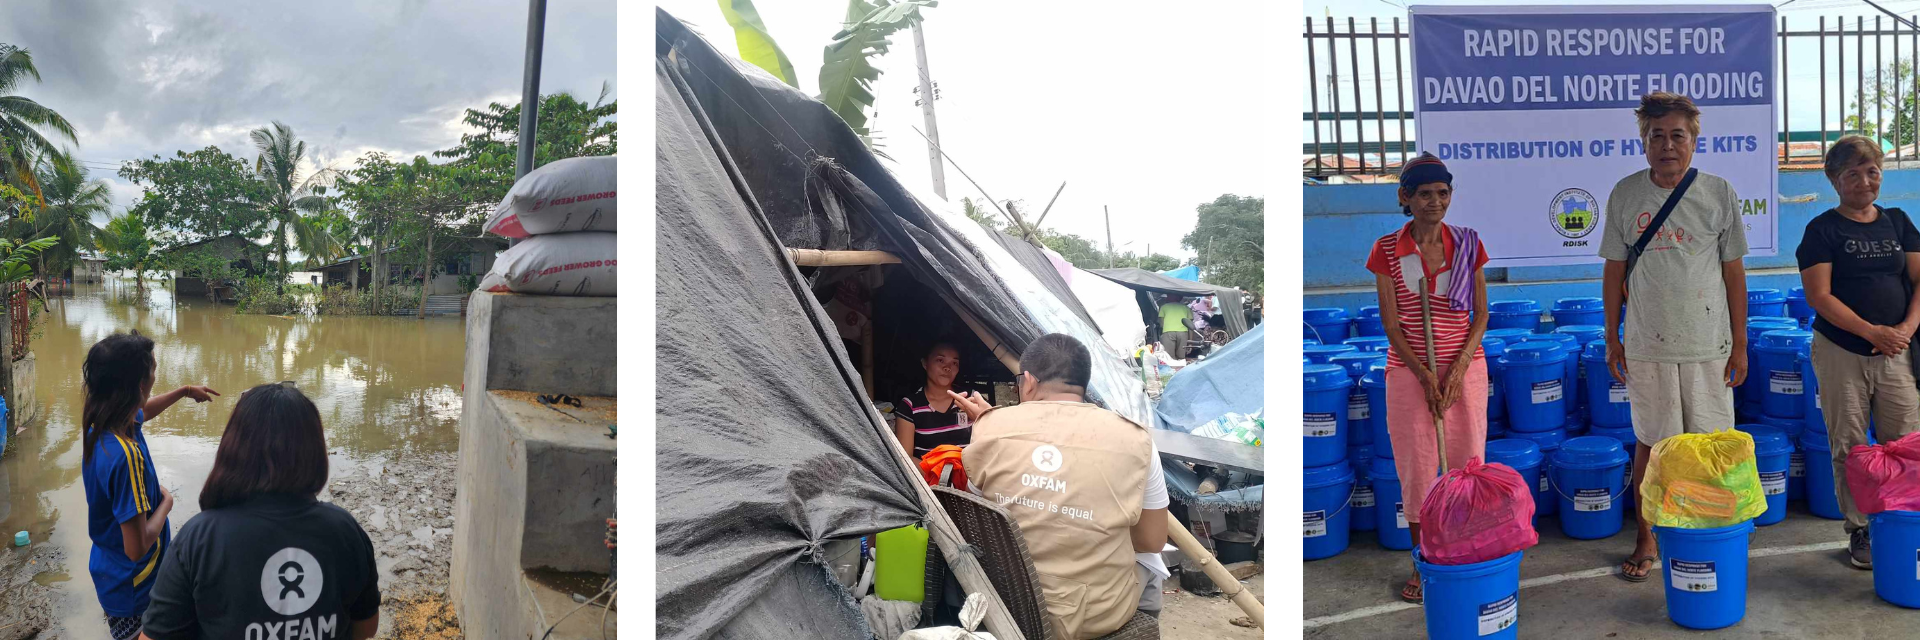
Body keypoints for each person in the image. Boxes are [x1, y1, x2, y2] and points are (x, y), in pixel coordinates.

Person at [1598, 92, 1749, 582]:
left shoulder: (1719, 192)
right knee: (1651, 442)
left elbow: (1734, 274)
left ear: (1694, 140)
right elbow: (1613, 271)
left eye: (1677, 135)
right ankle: (1647, 537)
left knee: (1712, 443)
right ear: (1643, 141)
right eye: (1656, 135)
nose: (1667, 145)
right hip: (1648, 345)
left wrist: (1741, 343)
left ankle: (1709, 530)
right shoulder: (1625, 194)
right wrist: (1612, 337)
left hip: (1710, 344)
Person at [952, 334, 1169, 638]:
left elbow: (983, 517)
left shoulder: (989, 426)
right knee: (1152, 567)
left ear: (1027, 381)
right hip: (1099, 615)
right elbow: (1152, 540)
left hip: (1010, 604)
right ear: (1083, 383)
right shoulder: (1137, 440)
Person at [138, 383, 380, 639]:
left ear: (234, 448)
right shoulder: (345, 531)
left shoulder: (200, 538)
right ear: (313, 450)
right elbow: (365, 628)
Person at [1365, 152, 1491, 604]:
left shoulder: (1468, 244)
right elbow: (1392, 324)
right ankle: (1422, 558)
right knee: (1417, 471)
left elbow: (1481, 315)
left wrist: (1455, 372)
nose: (1434, 202)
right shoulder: (1387, 250)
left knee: (1466, 465)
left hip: (1466, 369)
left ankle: (1461, 549)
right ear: (1406, 197)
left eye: (1442, 193)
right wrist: (1424, 376)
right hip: (1408, 374)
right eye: (1424, 194)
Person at [1796, 136, 1920, 569]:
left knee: (1904, 443)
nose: (1864, 181)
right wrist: (1872, 331)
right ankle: (1861, 529)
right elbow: (1820, 297)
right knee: (1849, 446)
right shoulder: (1822, 231)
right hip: (1841, 351)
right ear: (1834, 179)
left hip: (1896, 353)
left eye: (1872, 171)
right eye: (1852, 173)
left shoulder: (1899, 222)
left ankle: (1902, 521)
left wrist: (1904, 329)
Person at [80, 331, 219, 640]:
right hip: (136, 586)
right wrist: (167, 503)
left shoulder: (101, 424)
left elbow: (144, 411)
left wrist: (184, 391)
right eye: (154, 369)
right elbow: (137, 547)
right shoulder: (126, 456)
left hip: (110, 572)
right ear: (139, 384)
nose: (157, 374)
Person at [893, 342, 983, 459]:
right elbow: (905, 460)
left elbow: (992, 443)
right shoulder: (910, 406)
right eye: (940, 360)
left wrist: (982, 417)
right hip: (925, 476)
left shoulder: (971, 398)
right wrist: (939, 475)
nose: (948, 368)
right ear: (925, 363)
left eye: (954, 363)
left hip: (972, 475)